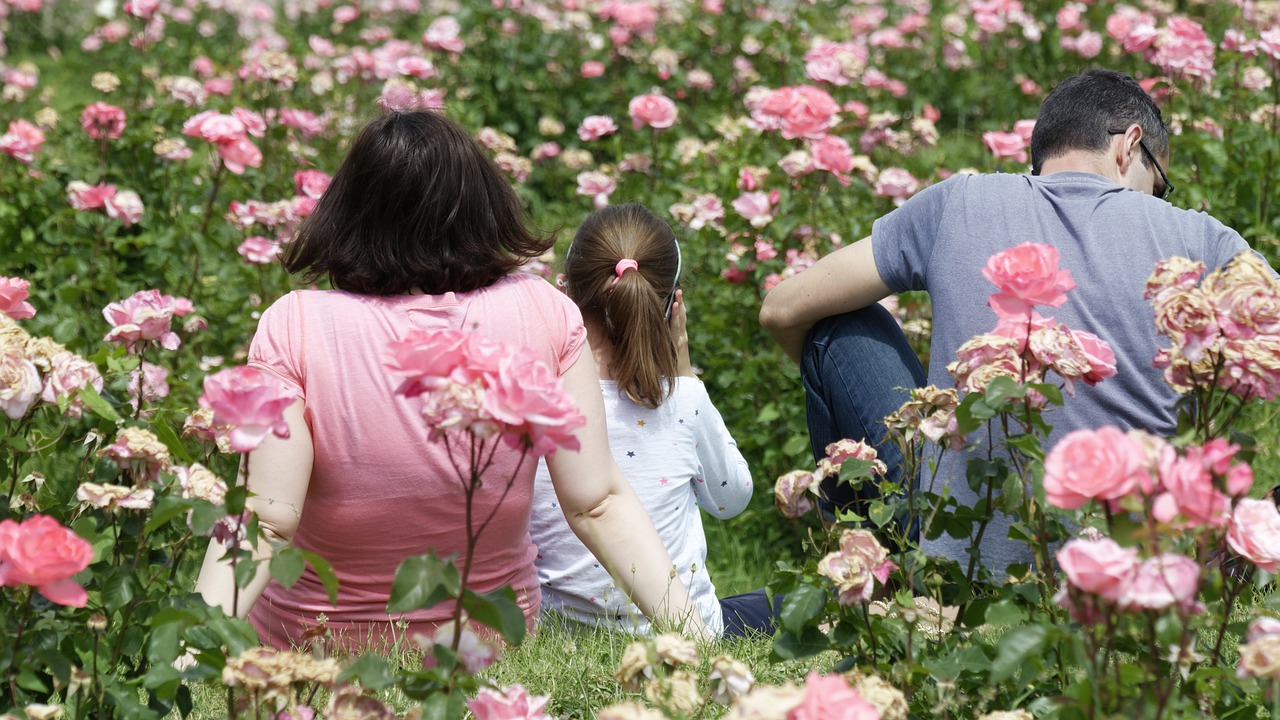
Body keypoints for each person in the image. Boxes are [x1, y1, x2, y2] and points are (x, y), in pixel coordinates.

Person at [194, 111, 708, 651]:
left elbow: (266, 522)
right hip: (489, 647)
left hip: (314, 649)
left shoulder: (295, 324)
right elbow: (597, 503)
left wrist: (190, 653)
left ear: (348, 211)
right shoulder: (544, 311)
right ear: (484, 206)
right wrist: (693, 634)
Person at [759, 68, 1269, 573]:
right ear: (1129, 145)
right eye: (1159, 186)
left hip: (952, 548)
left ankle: (871, 566)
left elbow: (782, 309)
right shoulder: (1202, 241)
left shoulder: (959, 202)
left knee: (834, 328)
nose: (1156, 202)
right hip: (1127, 566)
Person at [528, 204, 774, 638]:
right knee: (794, 599)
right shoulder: (683, 400)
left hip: (561, 631)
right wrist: (683, 370)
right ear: (672, 304)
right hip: (683, 629)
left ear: (563, 291)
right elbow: (730, 500)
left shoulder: (529, 401)